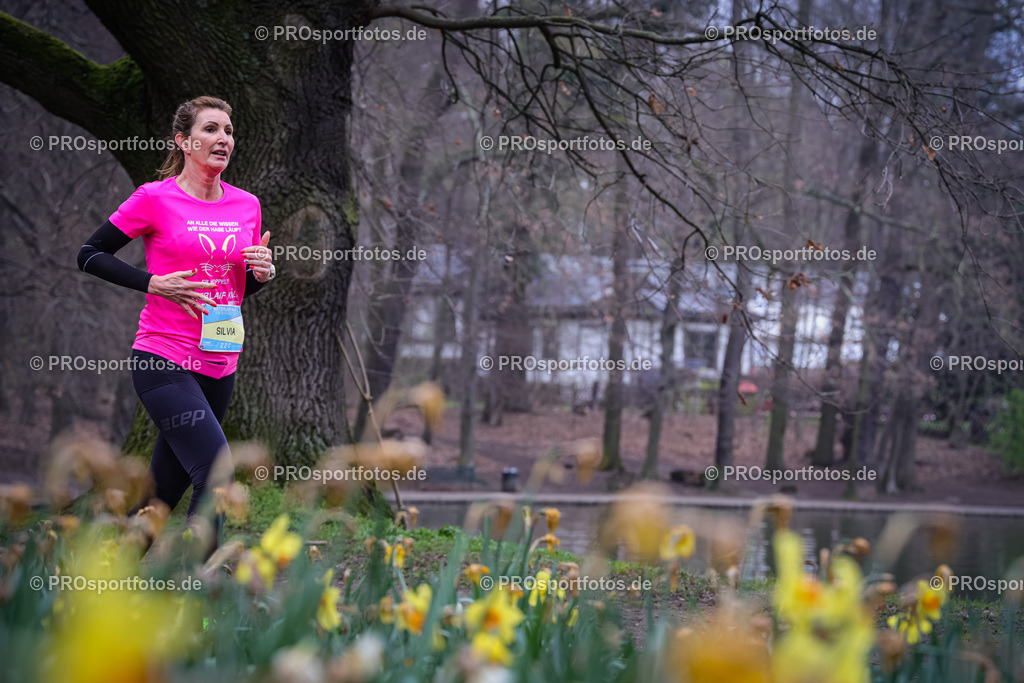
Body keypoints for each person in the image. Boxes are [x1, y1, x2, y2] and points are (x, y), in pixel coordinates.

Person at [77, 96, 274, 554]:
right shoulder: (155, 198)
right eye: (211, 129)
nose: (223, 138)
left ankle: (100, 586)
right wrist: (154, 284)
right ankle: (205, 594)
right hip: (163, 355)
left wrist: (263, 274)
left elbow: (236, 291)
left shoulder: (247, 205)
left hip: (220, 360)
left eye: (228, 131)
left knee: (160, 494)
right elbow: (90, 255)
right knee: (216, 467)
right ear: (184, 141)